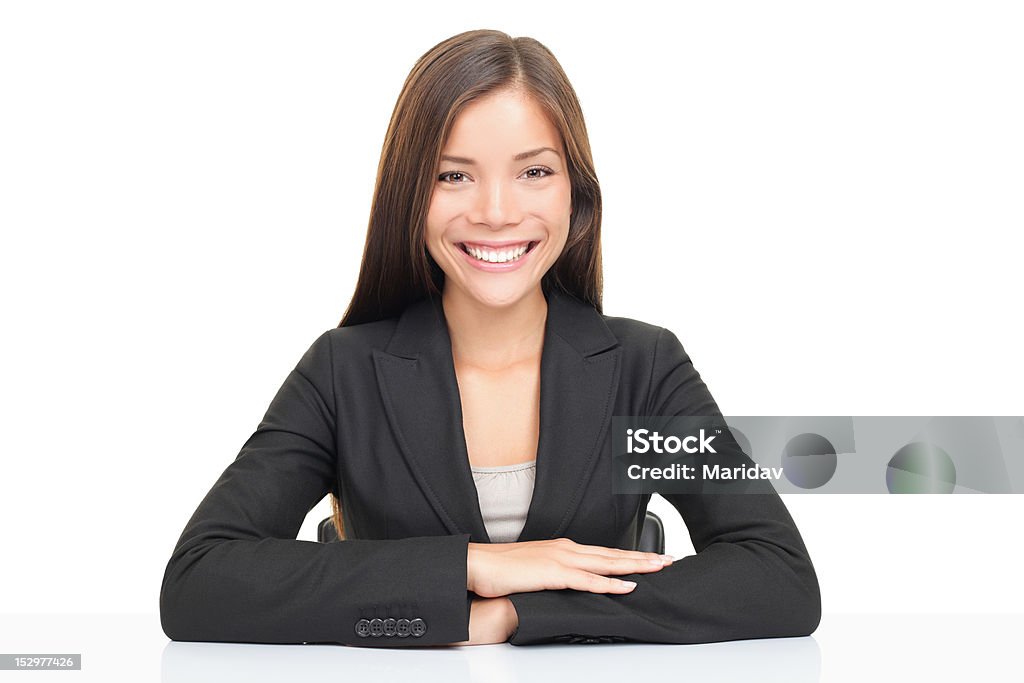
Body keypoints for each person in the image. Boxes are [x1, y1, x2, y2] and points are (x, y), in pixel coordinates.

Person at [159, 29, 821, 648]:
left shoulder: (642, 368)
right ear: (410, 195)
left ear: (575, 195)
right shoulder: (343, 372)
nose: (498, 212)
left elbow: (779, 576)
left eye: (534, 171)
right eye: (454, 175)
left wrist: (513, 613)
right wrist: (475, 568)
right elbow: (199, 579)